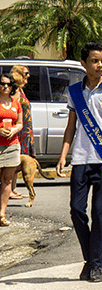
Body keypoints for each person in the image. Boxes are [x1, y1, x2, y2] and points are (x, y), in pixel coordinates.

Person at [56, 42, 102, 283]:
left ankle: (96, 265)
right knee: (76, 210)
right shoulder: (75, 91)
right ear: (83, 64)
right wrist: (64, 154)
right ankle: (90, 258)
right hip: (80, 159)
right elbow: (71, 126)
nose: (99, 65)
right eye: (95, 61)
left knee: (99, 211)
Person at [0, 73, 23, 228]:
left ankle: (2, 213)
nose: (5, 87)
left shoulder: (16, 102)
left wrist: (15, 130)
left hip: (12, 144)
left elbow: (21, 123)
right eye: (2, 84)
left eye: (8, 84)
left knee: (8, 180)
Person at [9, 65, 32, 200]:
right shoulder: (16, 91)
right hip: (19, 131)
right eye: (26, 73)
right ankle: (10, 190)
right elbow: (14, 109)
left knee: (17, 160)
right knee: (14, 160)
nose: (28, 76)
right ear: (18, 74)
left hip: (25, 130)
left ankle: (13, 189)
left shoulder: (20, 90)